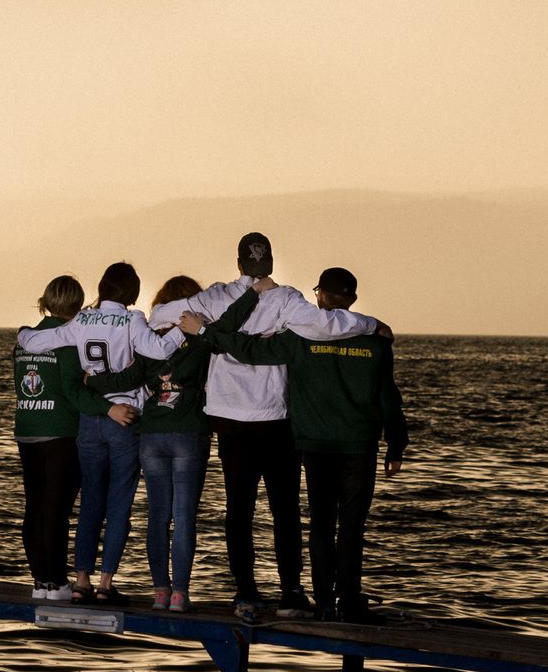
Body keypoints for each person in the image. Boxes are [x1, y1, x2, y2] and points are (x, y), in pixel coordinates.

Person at [161, 232, 384, 620]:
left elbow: (159, 315)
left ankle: (246, 591)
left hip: (230, 420)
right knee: (285, 510)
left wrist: (195, 323)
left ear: (238, 264)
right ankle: (292, 593)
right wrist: (371, 325)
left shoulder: (215, 297)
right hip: (277, 418)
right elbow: (326, 325)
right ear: (271, 265)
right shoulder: (286, 298)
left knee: (239, 510)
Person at [28, 261, 185, 604]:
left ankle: (80, 580)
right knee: (118, 507)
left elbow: (39, 342)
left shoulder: (81, 319)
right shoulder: (132, 320)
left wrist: (23, 335)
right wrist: (183, 330)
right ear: (131, 292)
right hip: (124, 417)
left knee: (89, 506)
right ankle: (104, 585)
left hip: (89, 419)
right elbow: (159, 351)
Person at [89, 275, 213, 610]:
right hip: (189, 431)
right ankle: (180, 595)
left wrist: (93, 382)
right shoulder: (203, 341)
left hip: (152, 434)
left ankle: (160, 593)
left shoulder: (149, 341)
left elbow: (129, 378)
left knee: (158, 515)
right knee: (184, 515)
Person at [11, 275, 91, 602]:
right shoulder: (67, 342)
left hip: (28, 430)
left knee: (35, 507)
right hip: (61, 433)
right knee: (57, 510)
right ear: (76, 306)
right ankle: (57, 582)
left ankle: (40, 580)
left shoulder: (25, 342)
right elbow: (73, 391)